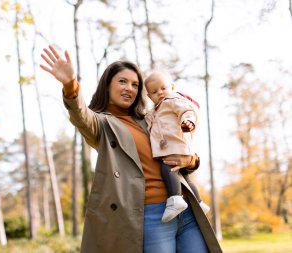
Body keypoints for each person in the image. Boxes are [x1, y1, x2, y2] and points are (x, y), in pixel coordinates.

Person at [40, 45, 222, 253]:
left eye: (135, 84)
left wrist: (191, 161)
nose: (130, 88)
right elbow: (81, 116)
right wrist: (70, 85)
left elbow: (180, 145)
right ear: (107, 86)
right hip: (152, 216)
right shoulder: (102, 124)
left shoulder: (149, 119)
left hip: (186, 208)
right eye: (122, 82)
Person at [144, 71, 210, 223]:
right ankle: (199, 203)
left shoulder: (173, 100)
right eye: (154, 92)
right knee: (184, 177)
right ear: (149, 96)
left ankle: (174, 199)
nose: (160, 93)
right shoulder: (156, 110)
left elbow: (187, 111)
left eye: (163, 88)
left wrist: (189, 122)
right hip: (173, 146)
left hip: (175, 145)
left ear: (172, 87)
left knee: (167, 168)